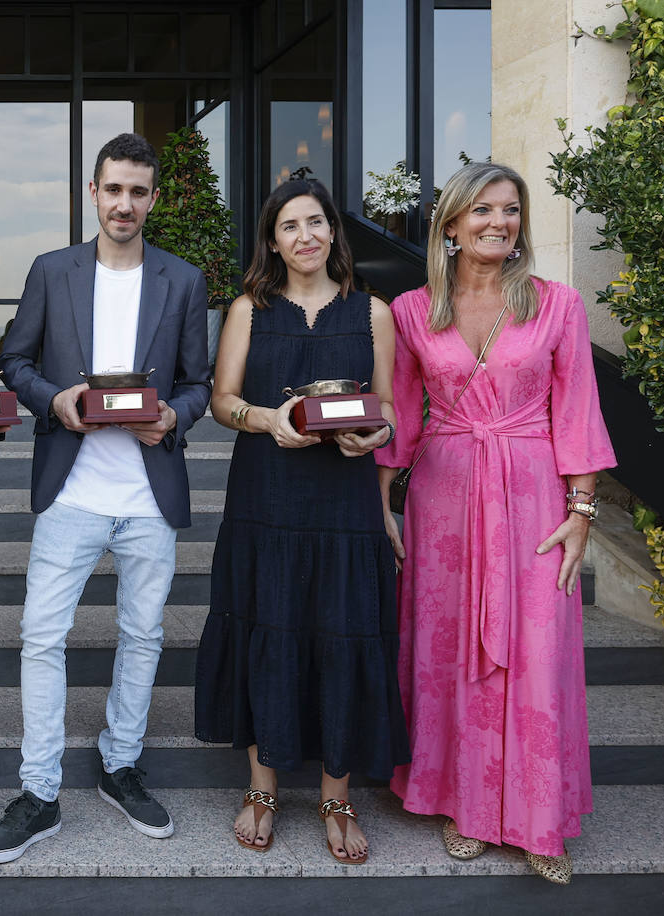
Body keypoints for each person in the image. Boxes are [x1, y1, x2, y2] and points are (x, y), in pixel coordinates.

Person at [376, 163, 616, 885]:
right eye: (481, 211)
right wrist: (379, 502)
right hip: (443, 500)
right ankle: (463, 805)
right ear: (449, 225)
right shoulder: (412, 310)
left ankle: (541, 821)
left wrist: (582, 513)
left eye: (510, 211)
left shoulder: (558, 305)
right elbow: (400, 411)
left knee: (538, 653)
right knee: (447, 653)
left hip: (534, 494)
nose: (498, 223)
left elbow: (576, 412)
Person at [0, 133, 212, 864]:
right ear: (94, 193)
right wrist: (59, 400)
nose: (125, 203)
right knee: (42, 637)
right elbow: (12, 360)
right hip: (71, 489)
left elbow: (198, 382)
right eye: (114, 189)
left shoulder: (184, 279)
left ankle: (120, 764)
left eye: (138, 191)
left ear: (153, 199)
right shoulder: (54, 271)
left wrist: (174, 416)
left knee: (143, 637)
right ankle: (39, 791)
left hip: (147, 492)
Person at [193, 179, 410, 864]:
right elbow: (220, 401)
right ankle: (261, 789)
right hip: (267, 500)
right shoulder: (248, 309)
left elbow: (392, 410)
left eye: (316, 223)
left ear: (333, 234)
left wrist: (374, 438)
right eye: (290, 226)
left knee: (340, 637)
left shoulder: (373, 312)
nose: (306, 236)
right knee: (268, 628)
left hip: (345, 507)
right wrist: (267, 419)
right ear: (272, 240)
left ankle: (335, 795)